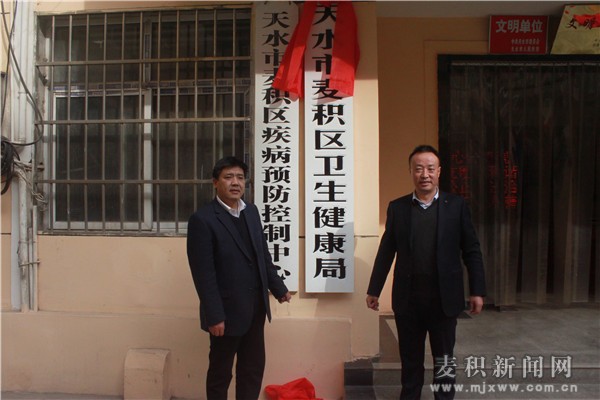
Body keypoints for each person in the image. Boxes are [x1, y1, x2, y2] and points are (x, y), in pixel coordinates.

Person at [366, 145, 486, 400]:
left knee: (444, 362)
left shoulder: (456, 206)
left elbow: (472, 250)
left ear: (439, 171)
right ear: (411, 171)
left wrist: (477, 290)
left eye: (430, 168)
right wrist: (374, 289)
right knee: (410, 363)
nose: (425, 174)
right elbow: (386, 251)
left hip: (444, 301)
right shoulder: (398, 208)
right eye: (418, 169)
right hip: (409, 301)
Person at [187, 156, 292, 400]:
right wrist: (214, 315)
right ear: (215, 182)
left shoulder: (251, 212)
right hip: (225, 313)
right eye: (228, 177)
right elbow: (203, 274)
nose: (235, 182)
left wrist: (278, 287)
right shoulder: (203, 220)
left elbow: (261, 254)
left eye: (240, 177)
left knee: (252, 370)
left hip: (255, 308)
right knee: (220, 374)